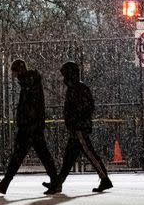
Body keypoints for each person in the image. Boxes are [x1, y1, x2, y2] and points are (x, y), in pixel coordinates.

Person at [0, 59, 59, 194]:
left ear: (18, 70)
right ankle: (55, 181)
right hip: (34, 126)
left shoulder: (28, 83)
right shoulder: (31, 81)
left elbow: (29, 107)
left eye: (14, 72)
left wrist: (24, 122)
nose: (13, 76)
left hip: (29, 127)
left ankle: (5, 184)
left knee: (18, 156)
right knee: (42, 155)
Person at [44, 61, 112, 194]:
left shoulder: (78, 89)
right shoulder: (76, 88)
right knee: (69, 158)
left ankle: (104, 179)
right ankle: (58, 183)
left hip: (79, 128)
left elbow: (87, 107)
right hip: (76, 128)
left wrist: (76, 120)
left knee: (88, 153)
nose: (63, 78)